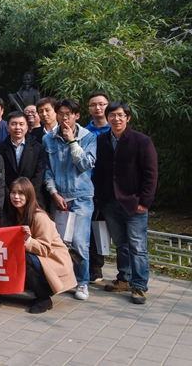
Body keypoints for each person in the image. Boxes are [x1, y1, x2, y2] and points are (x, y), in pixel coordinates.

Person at [94, 102, 157, 304]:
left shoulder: (141, 140)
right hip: (110, 202)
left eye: (121, 115)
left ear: (128, 118)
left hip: (133, 202)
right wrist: (101, 200)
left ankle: (139, 285)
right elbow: (100, 171)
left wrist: (144, 201)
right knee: (121, 244)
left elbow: (151, 174)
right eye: (112, 115)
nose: (116, 119)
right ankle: (124, 278)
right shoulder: (102, 140)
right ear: (107, 118)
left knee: (137, 246)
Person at [43, 98, 97, 301]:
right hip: (58, 198)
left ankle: (82, 282)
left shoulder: (89, 137)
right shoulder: (48, 138)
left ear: (77, 115)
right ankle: (63, 279)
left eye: (69, 114)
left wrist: (72, 140)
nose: (64, 118)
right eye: (61, 114)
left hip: (81, 197)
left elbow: (85, 165)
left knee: (79, 243)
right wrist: (53, 193)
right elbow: (47, 169)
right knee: (58, 242)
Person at [6, 177, 76, 314]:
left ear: (29, 195)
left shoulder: (40, 216)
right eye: (13, 192)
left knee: (22, 258)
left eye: (21, 193)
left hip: (54, 259)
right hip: (39, 259)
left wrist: (28, 240)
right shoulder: (15, 215)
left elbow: (44, 249)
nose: (16, 197)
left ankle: (43, 298)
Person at [0, 111, 46, 209]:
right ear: (8, 127)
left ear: (27, 127)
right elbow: (0, 177)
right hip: (8, 200)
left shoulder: (38, 148)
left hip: (33, 198)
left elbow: (39, 175)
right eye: (13, 124)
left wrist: (26, 194)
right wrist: (11, 195)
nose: (17, 127)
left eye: (21, 124)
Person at [85, 91, 110, 284]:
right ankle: (94, 268)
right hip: (89, 187)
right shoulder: (84, 132)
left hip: (112, 188)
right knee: (92, 228)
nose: (98, 108)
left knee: (113, 229)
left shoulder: (117, 129)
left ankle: (125, 275)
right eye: (93, 104)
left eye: (102, 104)